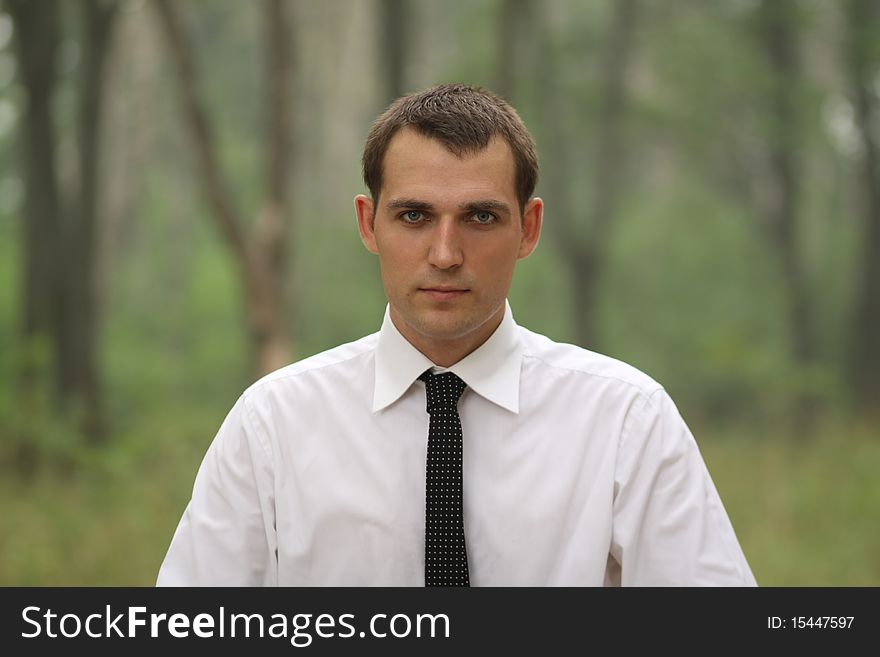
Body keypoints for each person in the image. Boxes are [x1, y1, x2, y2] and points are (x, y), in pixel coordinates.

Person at [157, 83, 756, 586]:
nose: (445, 254)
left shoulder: (626, 421)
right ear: (369, 225)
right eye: (414, 216)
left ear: (528, 228)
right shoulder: (274, 426)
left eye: (480, 217)